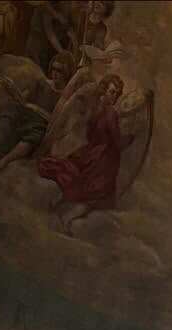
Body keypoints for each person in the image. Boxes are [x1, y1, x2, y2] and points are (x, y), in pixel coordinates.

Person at [37, 72, 126, 225]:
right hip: (104, 161)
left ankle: (59, 208)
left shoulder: (97, 109)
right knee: (93, 193)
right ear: (104, 90)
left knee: (82, 185)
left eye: (116, 94)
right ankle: (66, 218)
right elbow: (116, 141)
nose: (114, 97)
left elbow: (92, 134)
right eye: (112, 92)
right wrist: (129, 140)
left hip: (95, 154)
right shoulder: (109, 113)